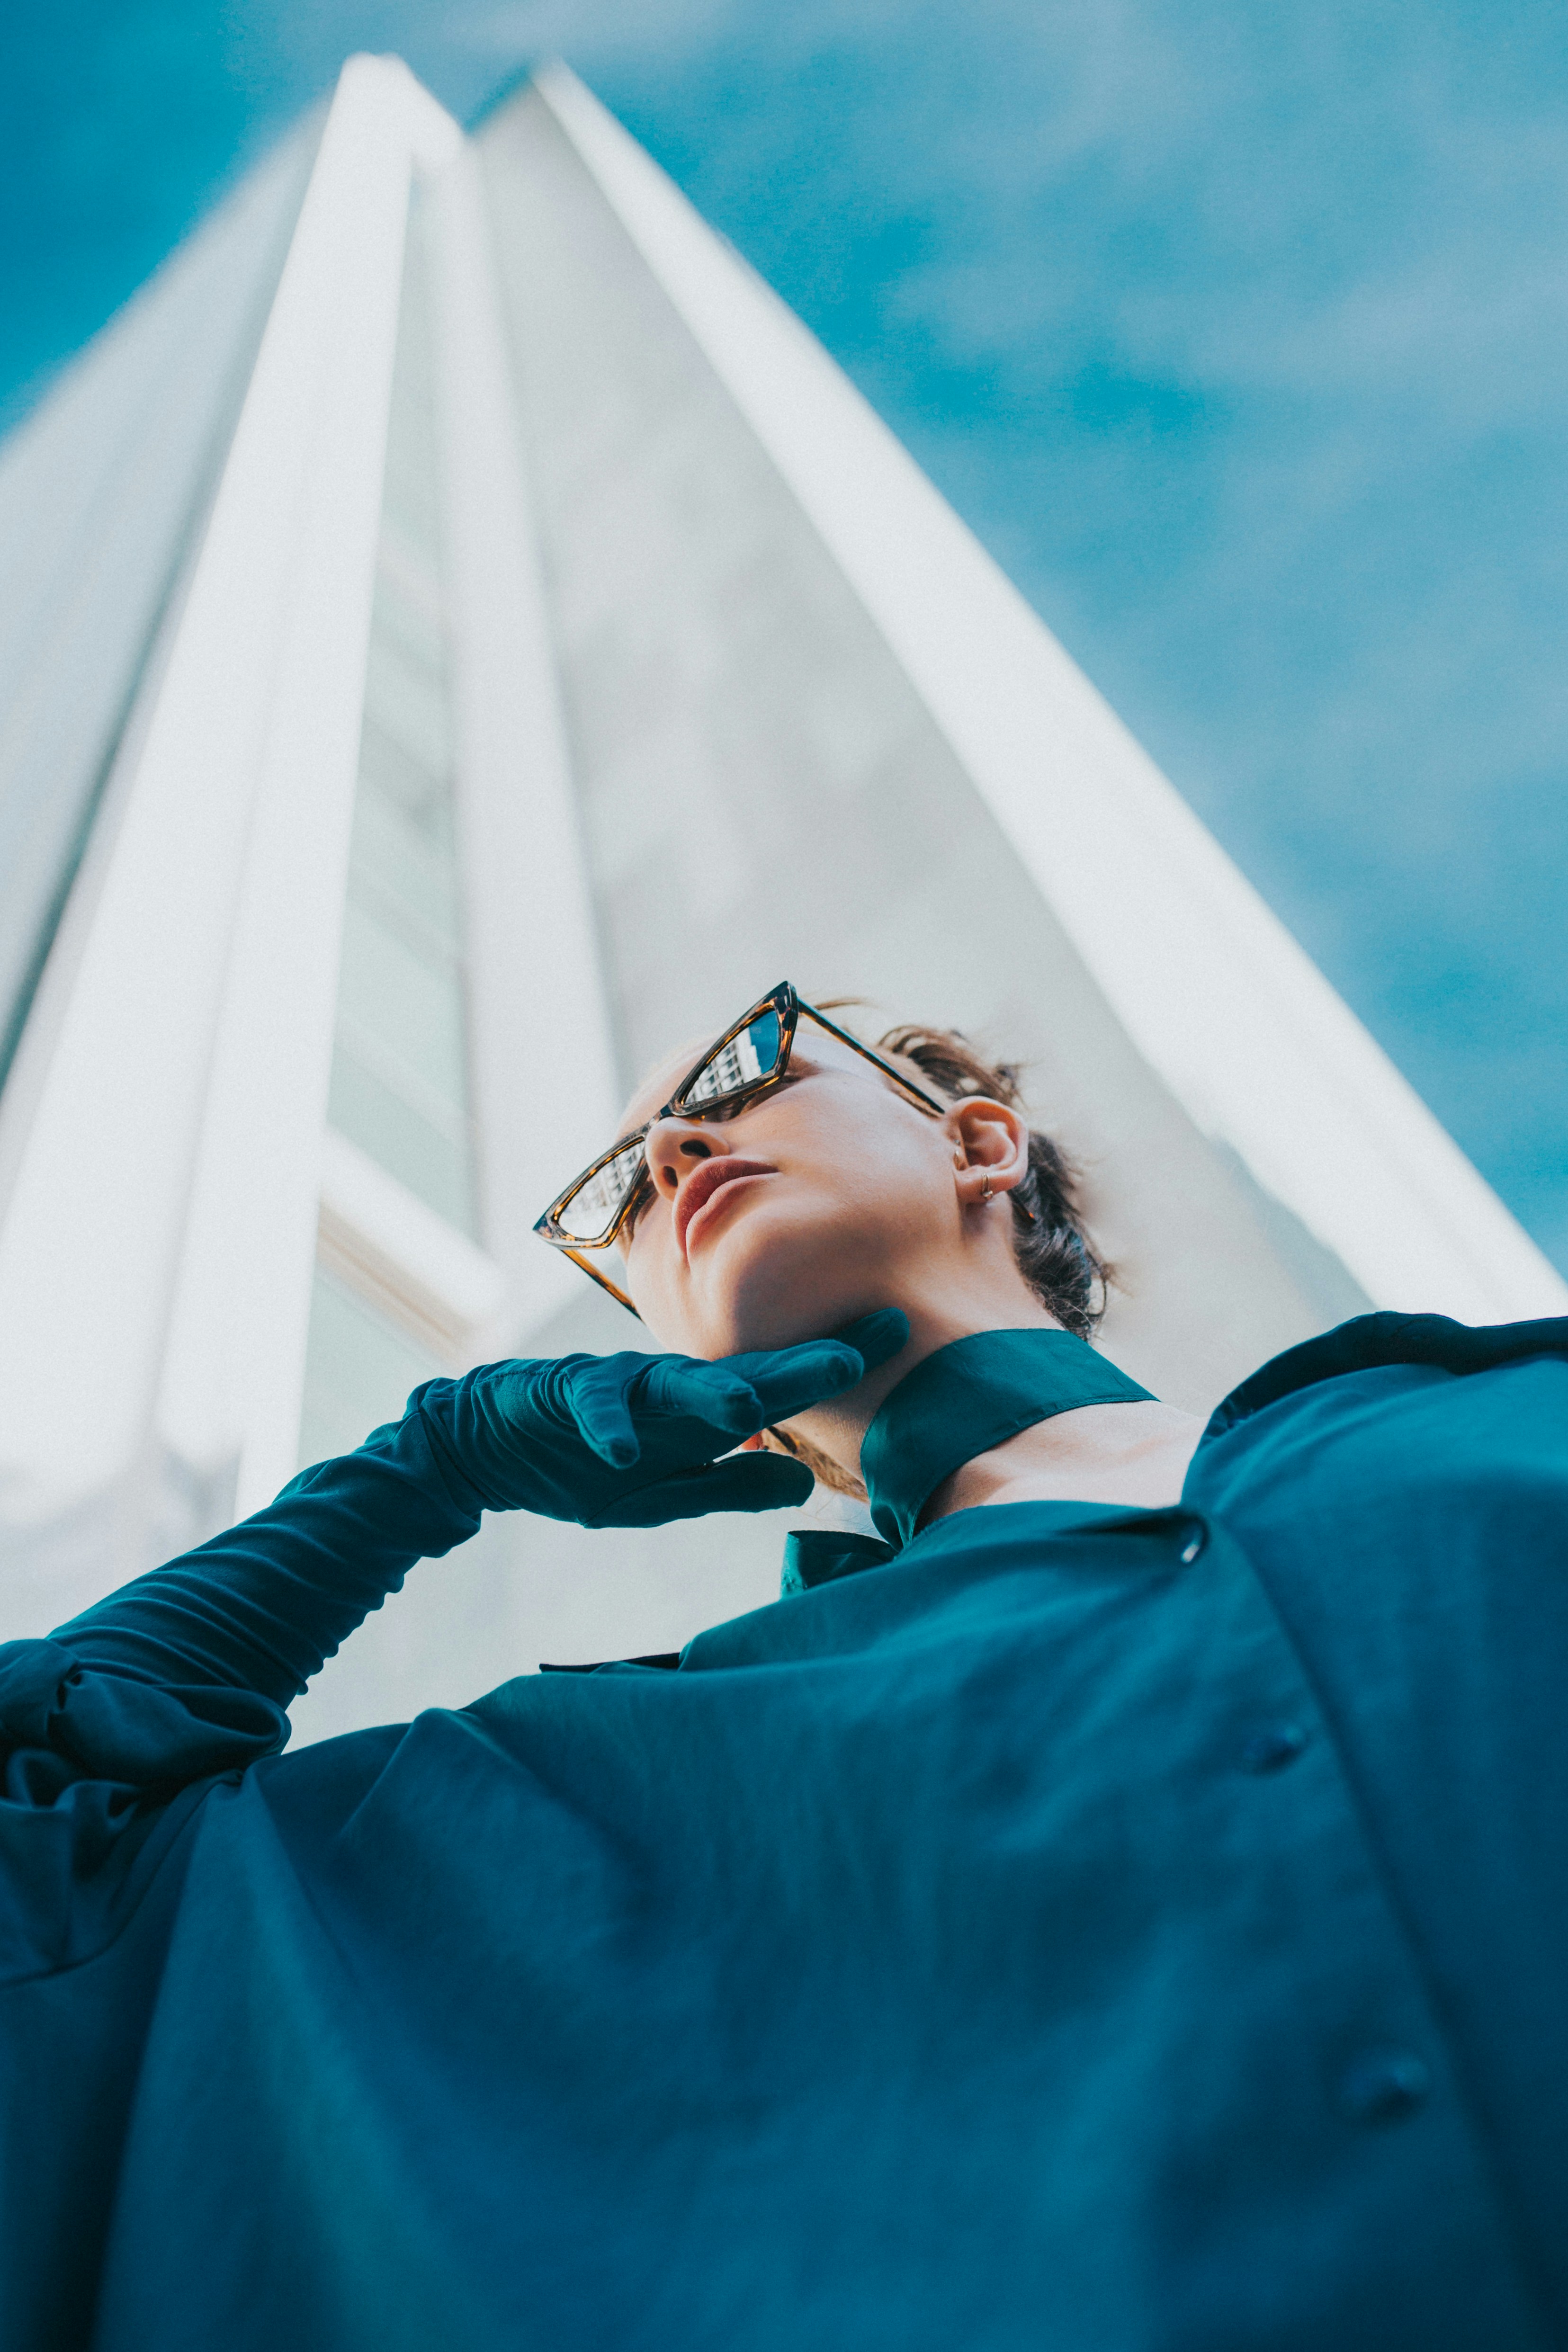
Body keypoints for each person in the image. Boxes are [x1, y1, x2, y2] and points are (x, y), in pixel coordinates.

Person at [2, 979, 1566, 2352]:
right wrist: (421, 1469)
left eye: (746, 1074)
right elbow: (44, 1863)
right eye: (624, 1189)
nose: (675, 1155)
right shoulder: (583, 1787)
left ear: (977, 1142)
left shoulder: (1509, 1423)